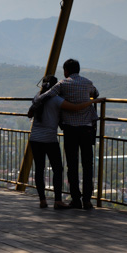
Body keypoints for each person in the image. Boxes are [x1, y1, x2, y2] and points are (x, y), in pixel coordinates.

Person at [31, 59, 100, 210]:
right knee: (88, 165)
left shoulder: (62, 84)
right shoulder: (88, 83)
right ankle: (87, 200)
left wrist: (35, 104)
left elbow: (48, 95)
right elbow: (96, 93)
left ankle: (76, 198)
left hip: (70, 129)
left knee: (72, 164)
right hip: (87, 128)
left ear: (66, 71)